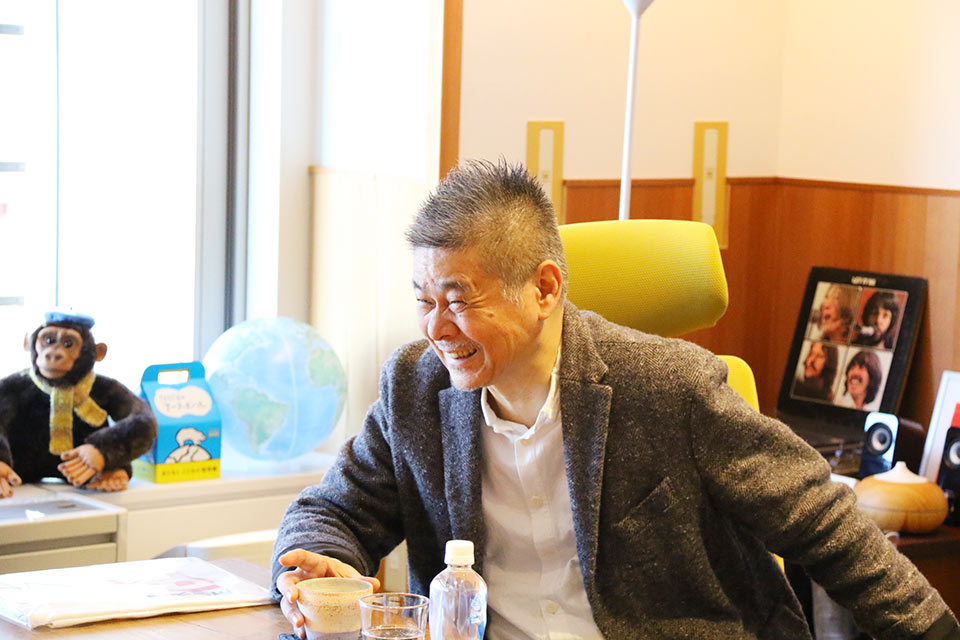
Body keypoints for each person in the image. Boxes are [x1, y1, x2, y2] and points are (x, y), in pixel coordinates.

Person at [271, 160, 958, 639]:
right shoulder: (415, 388)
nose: (435, 330)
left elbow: (824, 522)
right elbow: (330, 512)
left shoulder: (669, 387)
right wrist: (313, 561)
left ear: (544, 289)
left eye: (458, 301)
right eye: (424, 301)